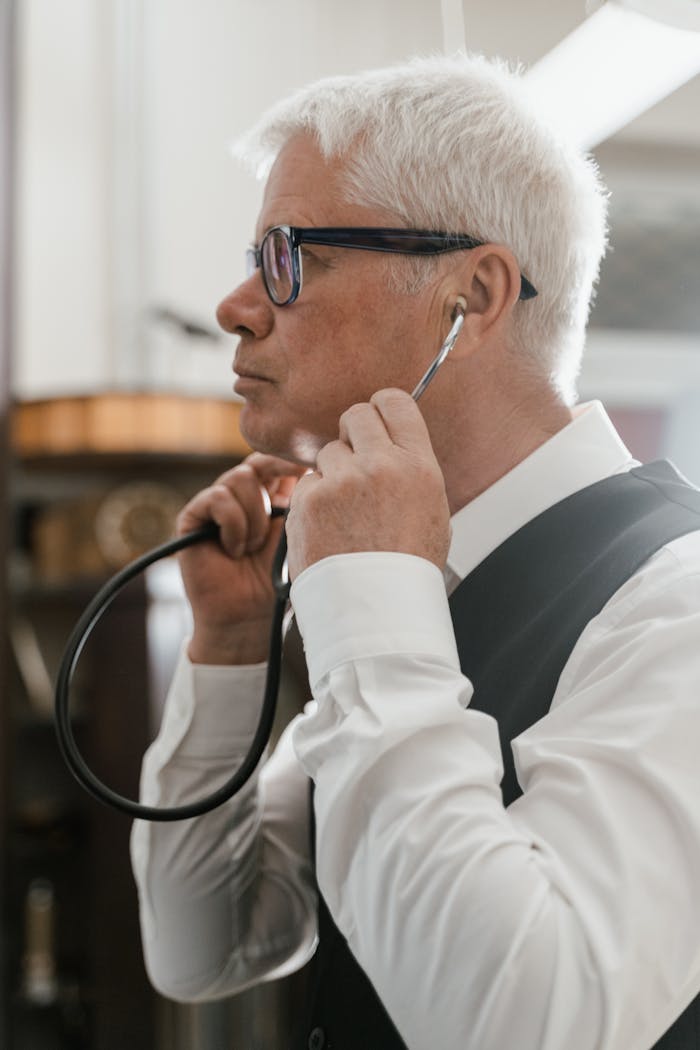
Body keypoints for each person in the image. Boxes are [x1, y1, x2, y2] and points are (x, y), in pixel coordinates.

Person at [130, 54, 700, 1050]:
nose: (235, 306)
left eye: (287, 254)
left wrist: (374, 612)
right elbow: (203, 948)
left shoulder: (675, 601)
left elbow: (531, 1026)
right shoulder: (404, 590)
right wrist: (229, 647)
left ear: (472, 297)